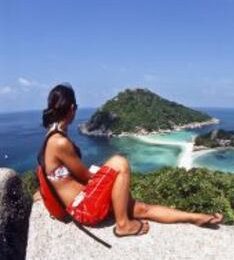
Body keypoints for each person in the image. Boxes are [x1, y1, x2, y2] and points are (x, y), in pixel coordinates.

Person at [38, 83, 223, 237]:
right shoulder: (60, 142)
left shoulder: (52, 136)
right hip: (84, 207)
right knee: (120, 162)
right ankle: (123, 225)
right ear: (71, 108)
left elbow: (61, 176)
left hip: (87, 199)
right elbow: (85, 177)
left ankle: (195, 217)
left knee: (141, 208)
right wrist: (106, 172)